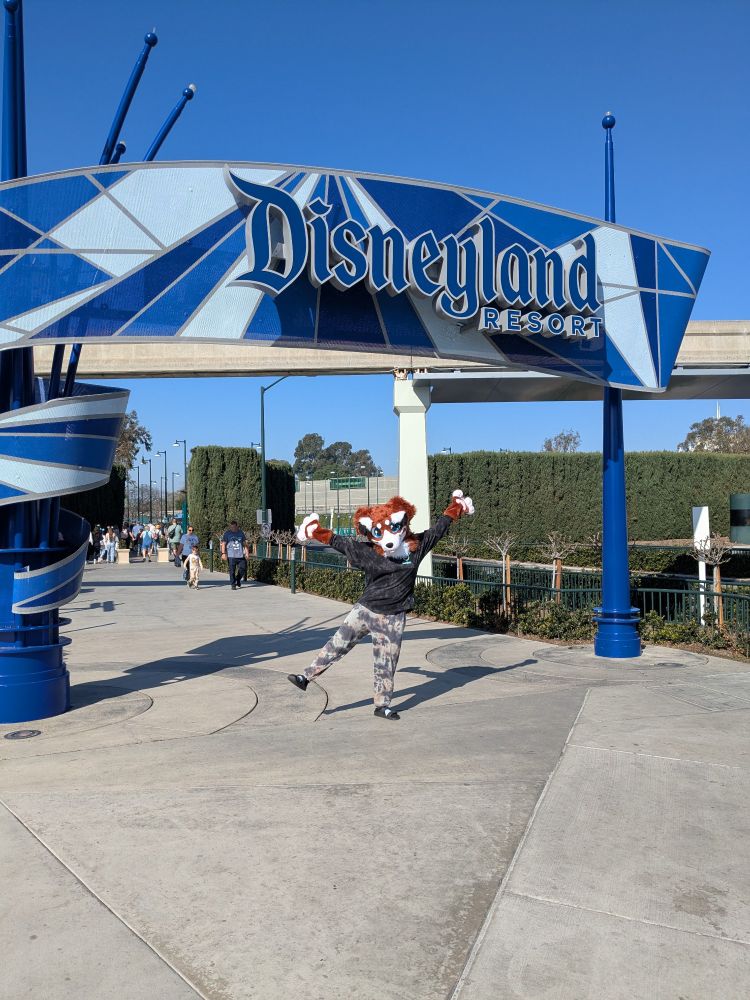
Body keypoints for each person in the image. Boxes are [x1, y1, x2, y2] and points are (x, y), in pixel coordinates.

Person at [289, 489, 474, 720]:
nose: (388, 537)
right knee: (337, 644)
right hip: (364, 610)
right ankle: (305, 677)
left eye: (394, 528)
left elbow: (439, 528)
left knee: (386, 663)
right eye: (379, 532)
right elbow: (341, 543)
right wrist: (315, 531)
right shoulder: (369, 553)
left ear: (404, 525)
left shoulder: (416, 548)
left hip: (393, 617)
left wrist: (456, 507)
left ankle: (382, 705)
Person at [221, 519, 249, 590]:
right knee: (232, 571)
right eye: (231, 527)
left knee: (243, 568)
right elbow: (223, 544)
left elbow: (244, 544)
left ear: (237, 526)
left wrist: (247, 553)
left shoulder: (241, 533)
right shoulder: (227, 533)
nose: (232, 529)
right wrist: (223, 553)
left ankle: (238, 579)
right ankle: (233, 584)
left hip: (240, 555)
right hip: (231, 555)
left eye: (234, 527)